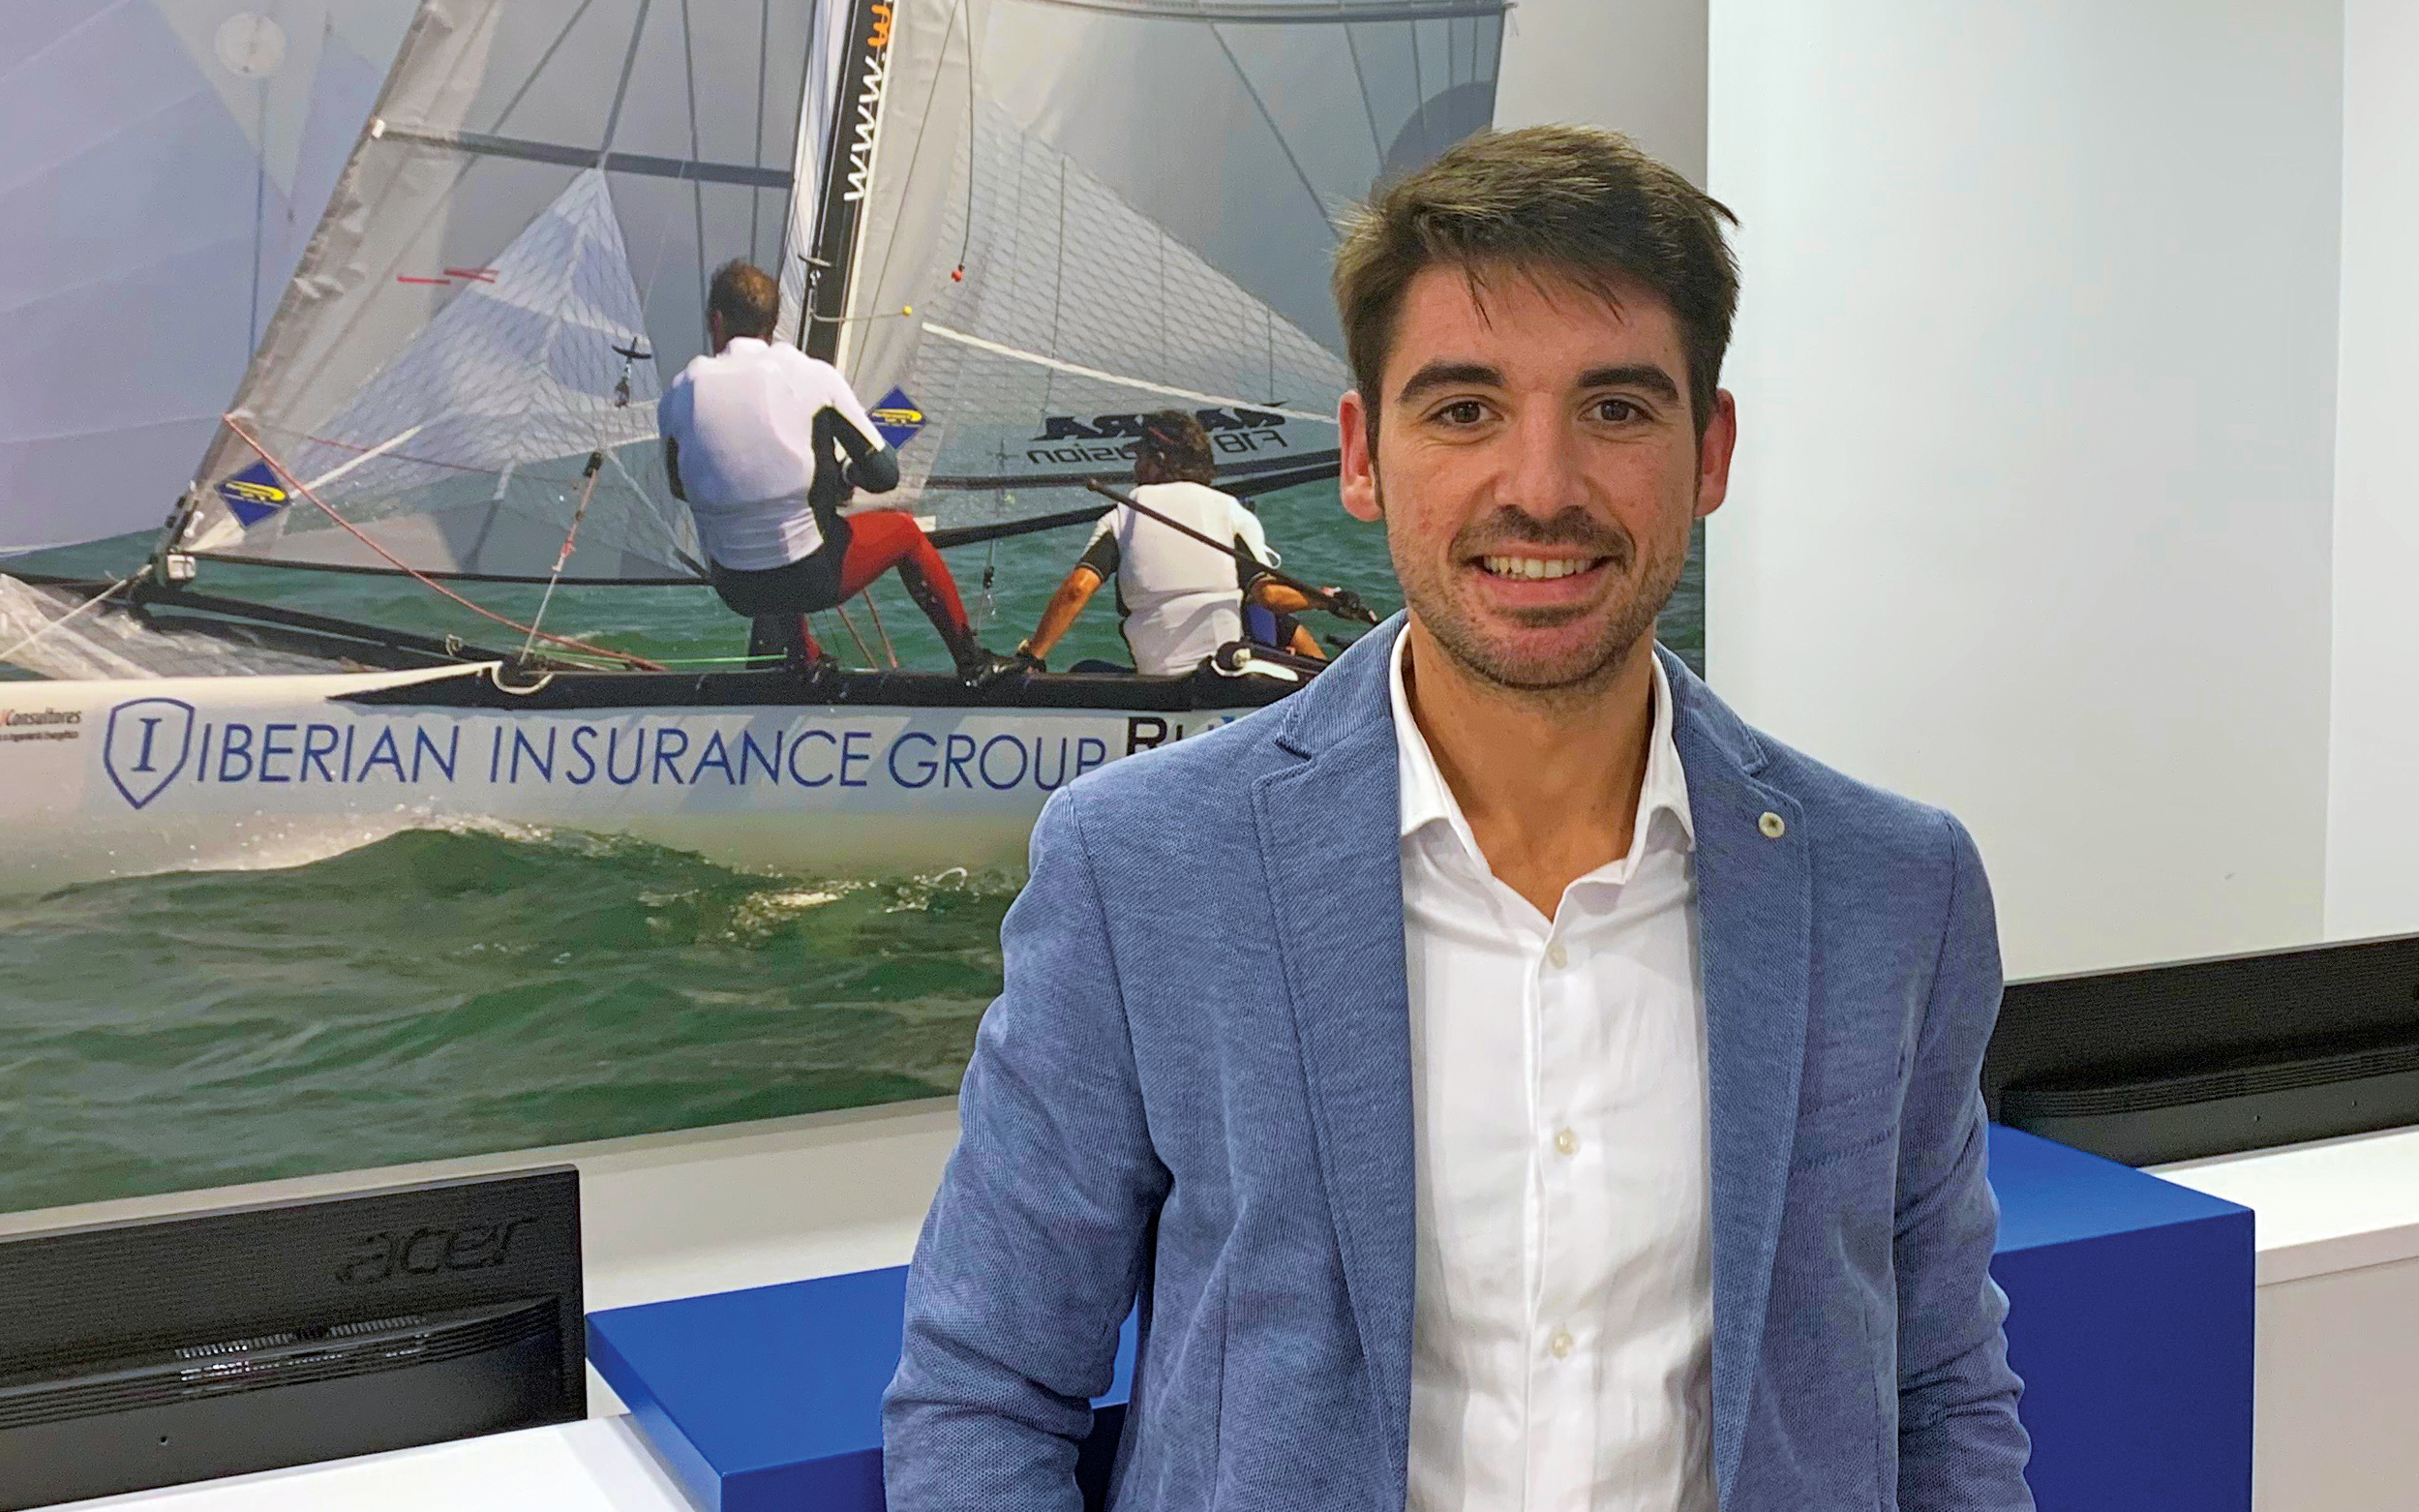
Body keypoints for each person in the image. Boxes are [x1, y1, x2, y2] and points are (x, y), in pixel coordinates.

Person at [884, 125, 2031, 1512]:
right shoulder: (1143, 871)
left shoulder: (1894, 889)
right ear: (1362, 456)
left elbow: (1940, 1389)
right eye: (1465, 409)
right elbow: (984, 1390)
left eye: (1616, 409)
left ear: (1709, 452)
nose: (1539, 486)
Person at [657, 260, 1015, 685]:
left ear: (716, 321)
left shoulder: (679, 392)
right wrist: (842, 476)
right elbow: (884, 475)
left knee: (787, 521)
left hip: (733, 587)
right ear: (774, 323)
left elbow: (680, 487)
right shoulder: (811, 376)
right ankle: (973, 663)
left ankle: (803, 659)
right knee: (903, 533)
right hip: (813, 579)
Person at [1017, 410, 1340, 675]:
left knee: (1084, 670)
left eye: (1140, 457)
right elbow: (1269, 595)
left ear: (1159, 459)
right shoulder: (1229, 510)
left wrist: (1031, 657)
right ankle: (1333, 685)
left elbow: (1077, 590)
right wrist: (1327, 601)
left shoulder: (1123, 515)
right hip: (1225, 678)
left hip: (1158, 685)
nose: (1135, 467)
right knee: (1271, 621)